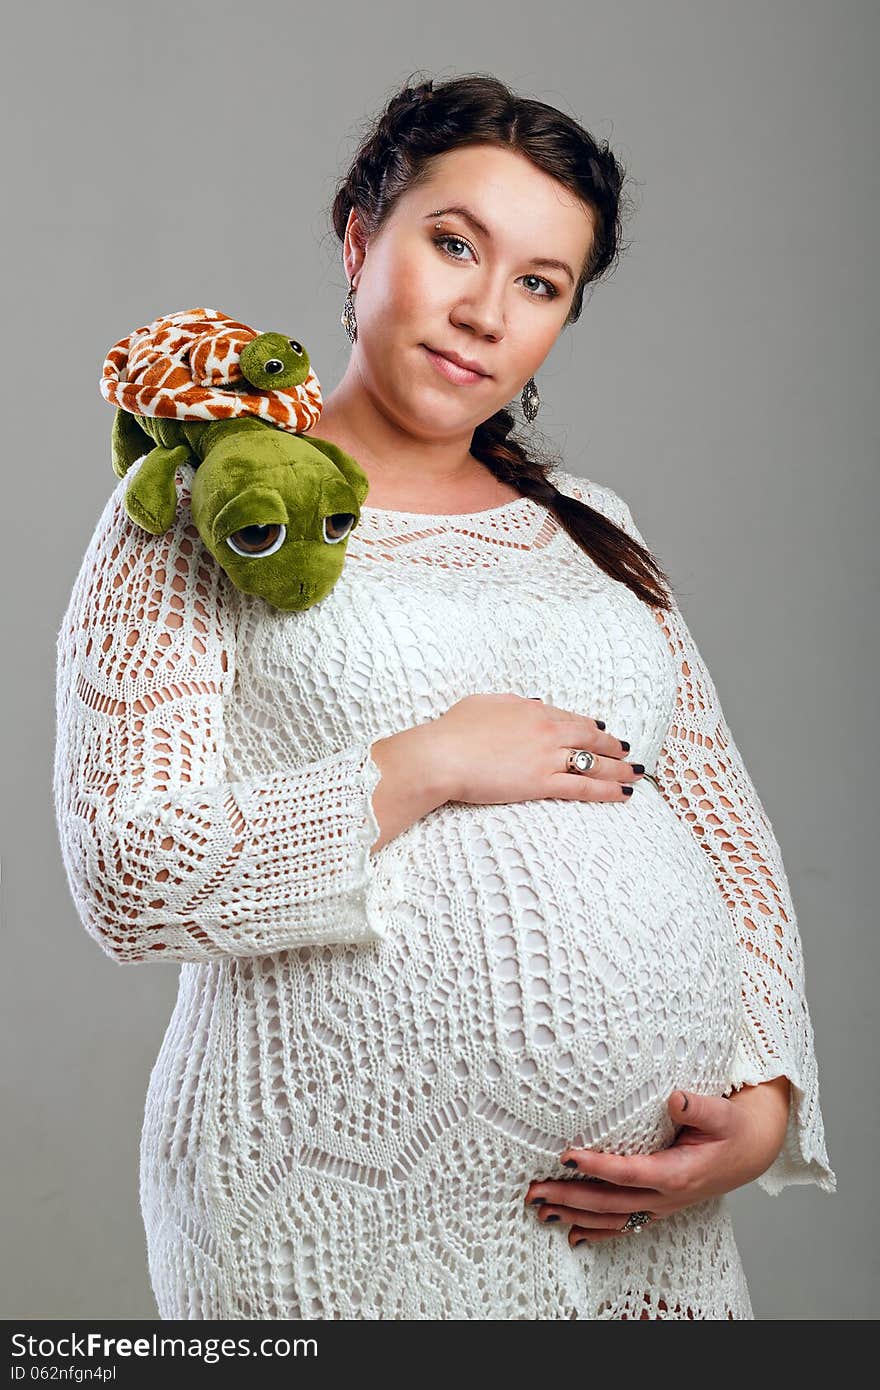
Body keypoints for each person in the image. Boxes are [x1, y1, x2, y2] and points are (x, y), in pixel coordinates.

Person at [54, 72, 836, 1321]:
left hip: (640, 1229)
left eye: (539, 284)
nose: (484, 311)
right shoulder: (221, 511)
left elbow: (727, 833)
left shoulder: (599, 535)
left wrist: (765, 1100)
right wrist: (418, 764)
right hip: (324, 1209)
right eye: (453, 244)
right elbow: (125, 875)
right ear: (360, 238)